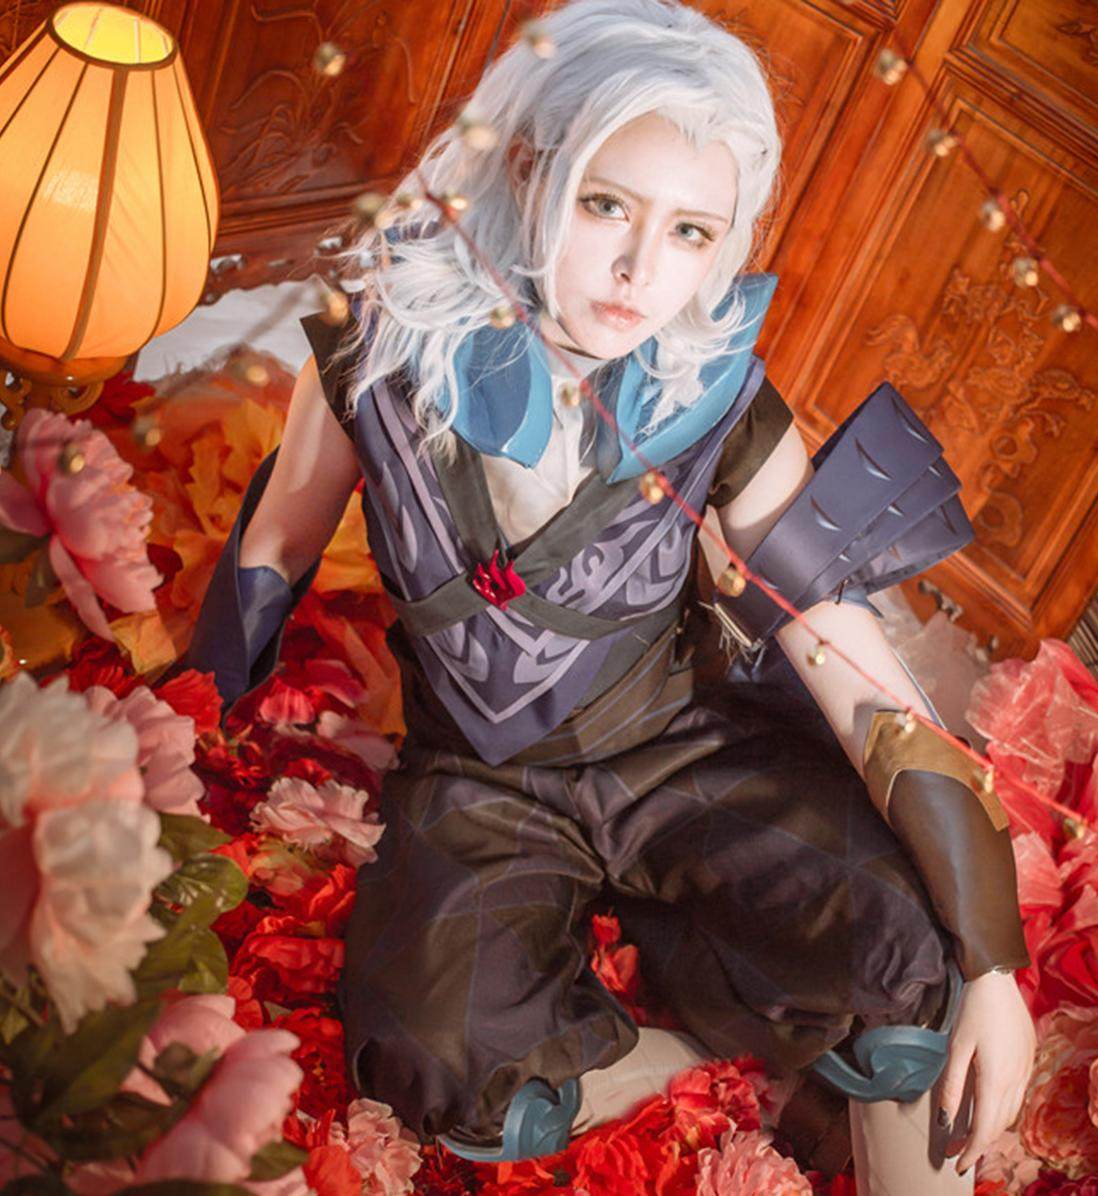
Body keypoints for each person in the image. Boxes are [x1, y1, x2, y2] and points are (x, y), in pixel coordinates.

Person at [183, 1, 1035, 1190]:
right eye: (604, 205)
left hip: (674, 747)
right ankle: (703, 1048)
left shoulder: (719, 398)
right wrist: (184, 736)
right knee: (438, 1060)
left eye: (689, 231)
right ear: (530, 171)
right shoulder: (372, 348)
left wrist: (992, 962)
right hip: (477, 779)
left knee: (903, 959)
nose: (642, 271)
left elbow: (844, 653)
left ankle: (781, 1021)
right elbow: (278, 539)